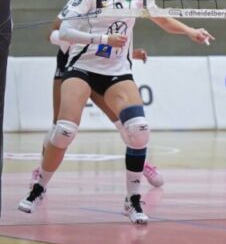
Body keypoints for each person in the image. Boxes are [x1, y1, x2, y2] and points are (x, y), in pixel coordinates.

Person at [18, 0, 213, 222]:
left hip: (116, 73)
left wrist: (190, 31)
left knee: (139, 130)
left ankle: (132, 200)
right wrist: (102, 40)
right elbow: (62, 30)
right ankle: (38, 189)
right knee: (63, 130)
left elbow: (161, 19)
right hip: (82, 68)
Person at [40, 18, 165, 188]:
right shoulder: (75, 10)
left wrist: (130, 53)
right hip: (69, 72)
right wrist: (67, 37)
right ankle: (40, 172)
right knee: (60, 127)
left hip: (97, 72)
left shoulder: (105, 14)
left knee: (126, 124)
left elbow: (103, 48)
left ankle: (142, 166)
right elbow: (51, 34)